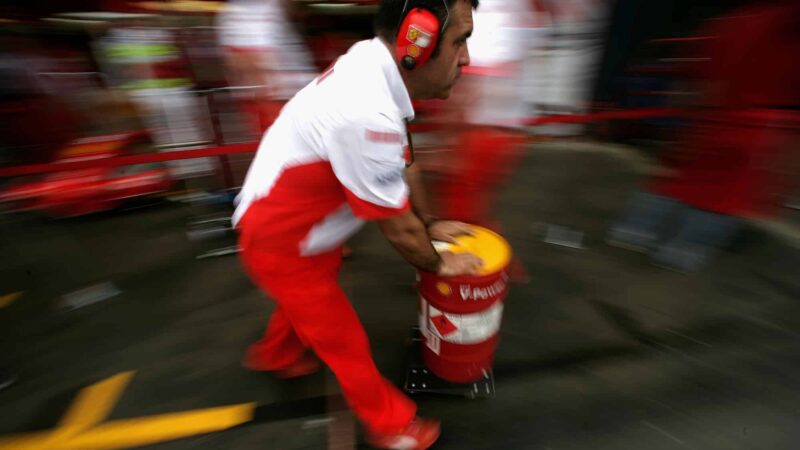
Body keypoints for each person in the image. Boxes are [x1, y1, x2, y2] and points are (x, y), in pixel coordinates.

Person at [232, 1, 481, 448]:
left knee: (303, 309)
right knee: (344, 342)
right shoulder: (368, 113)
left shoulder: (373, 65)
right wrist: (440, 266)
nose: (466, 59)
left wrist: (431, 222)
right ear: (416, 44)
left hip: (299, 229)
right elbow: (399, 231)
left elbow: (405, 163)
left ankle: (276, 356)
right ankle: (392, 426)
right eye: (461, 41)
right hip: (284, 243)